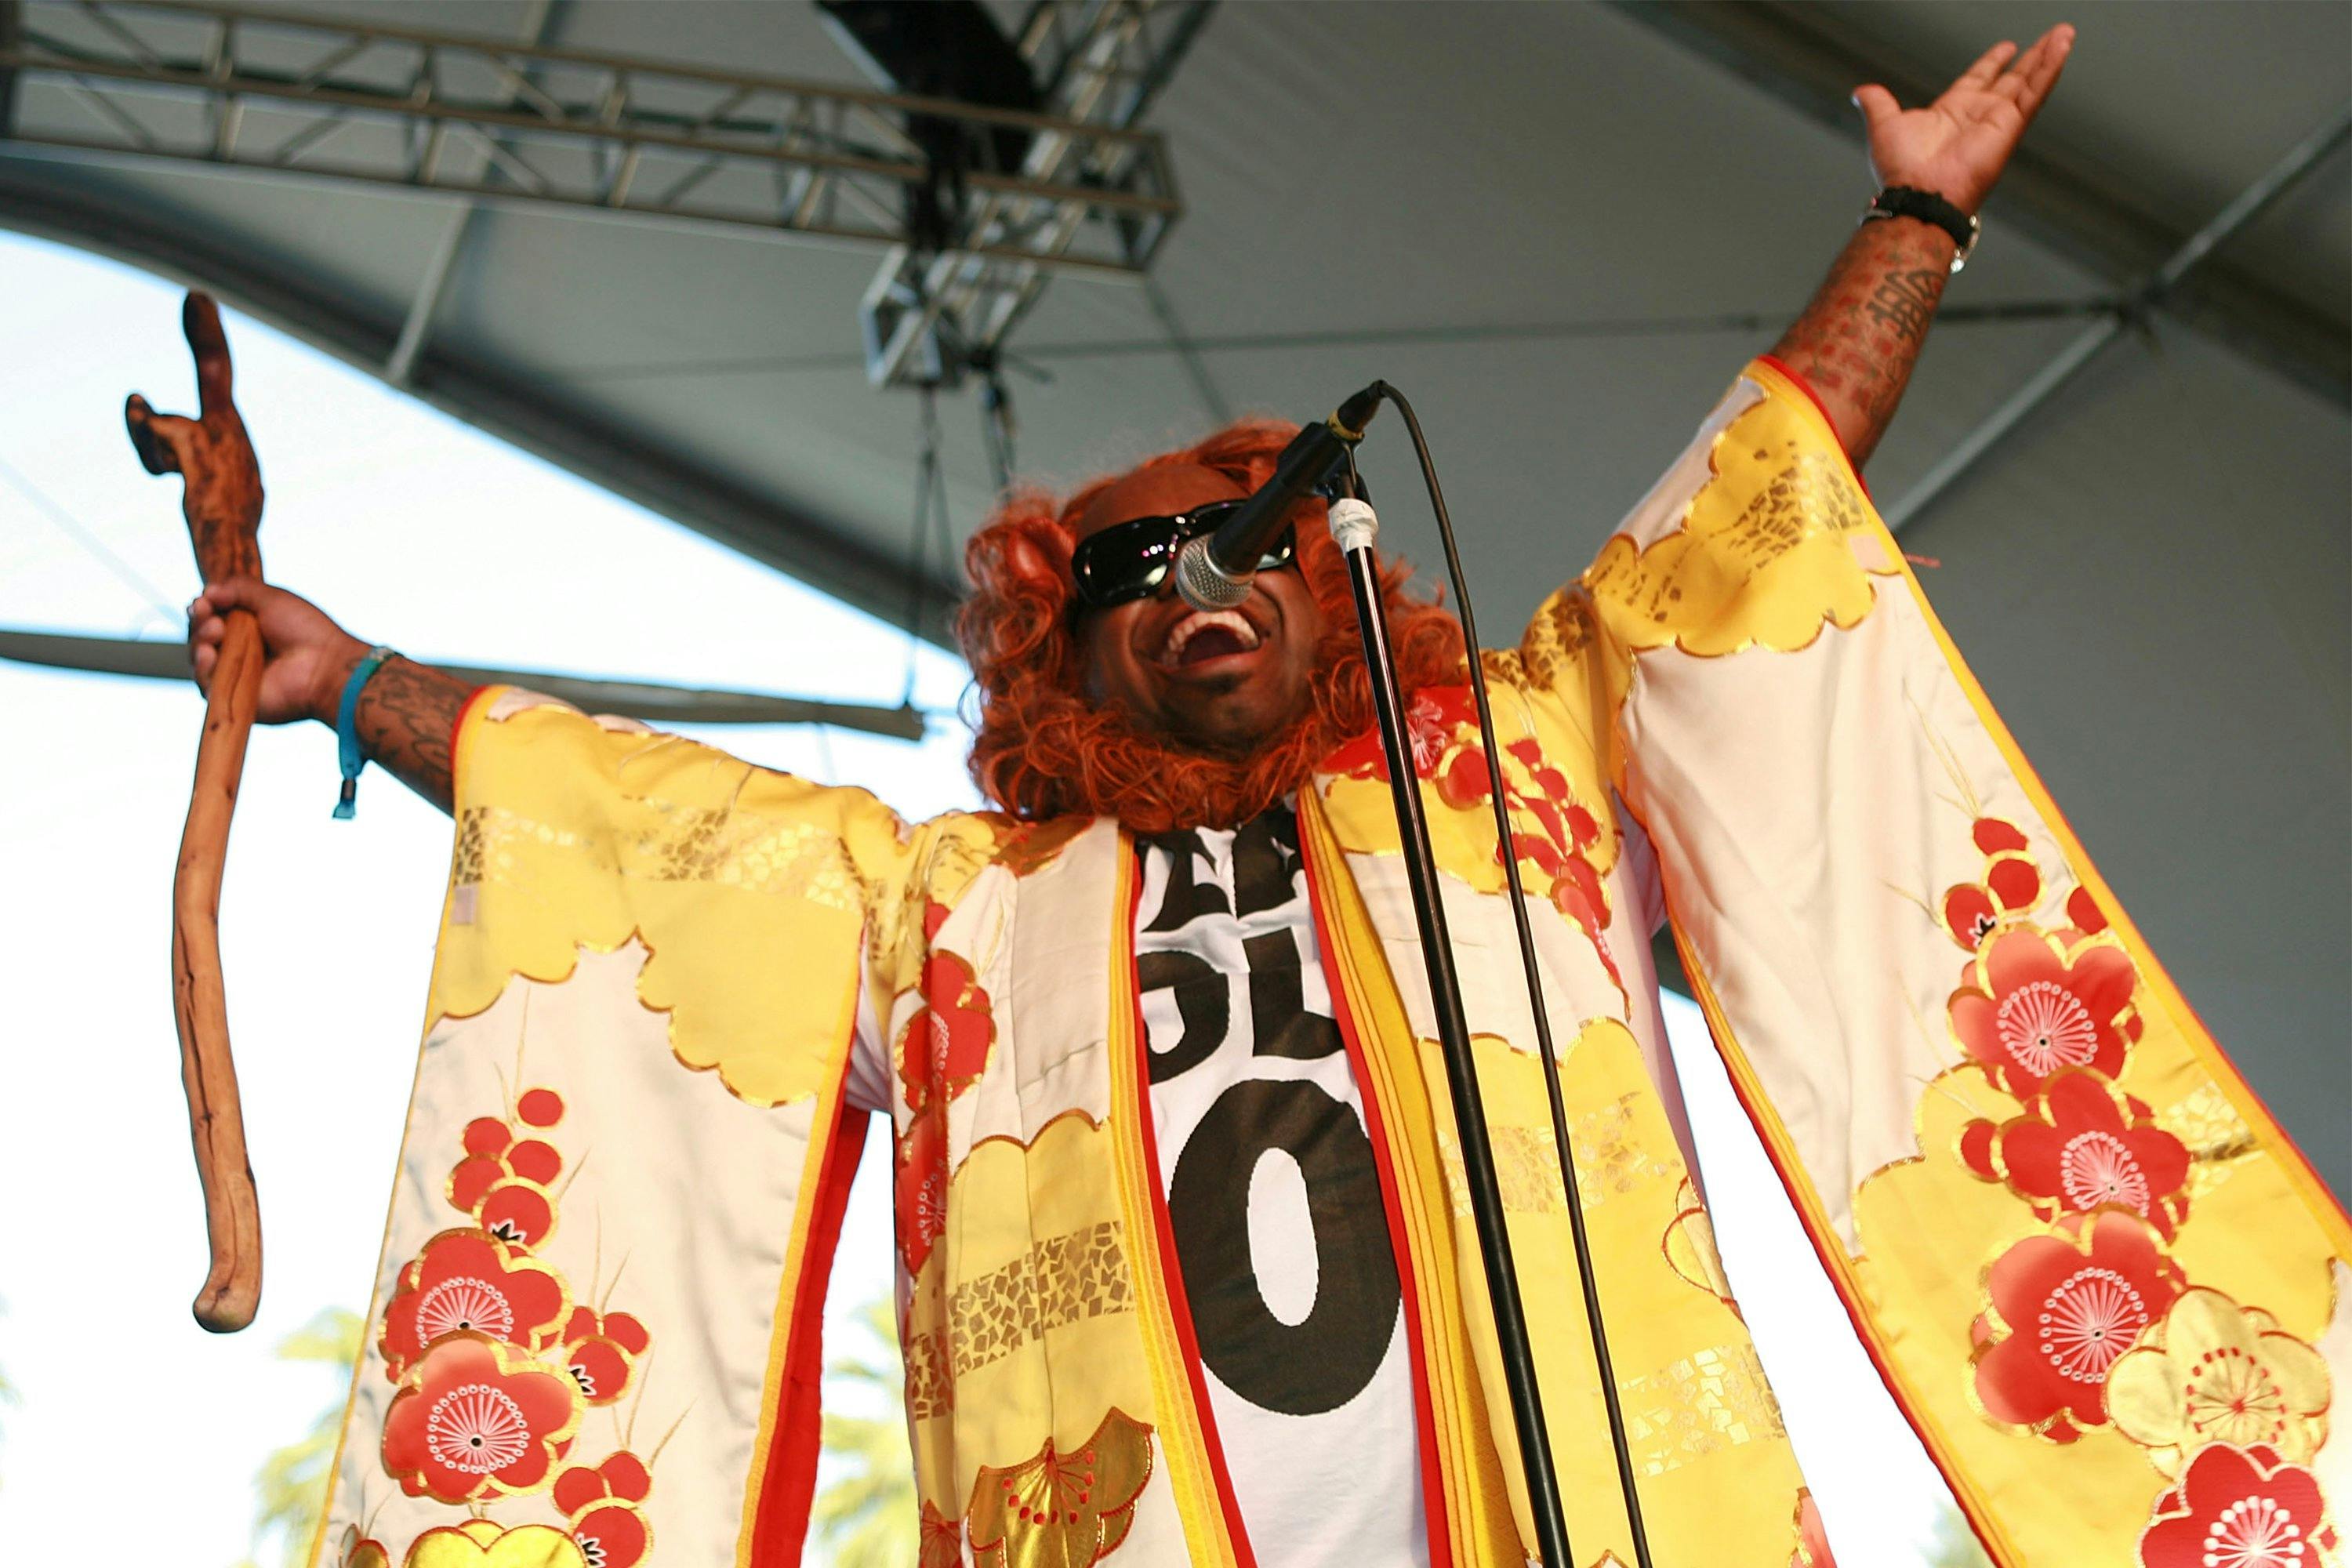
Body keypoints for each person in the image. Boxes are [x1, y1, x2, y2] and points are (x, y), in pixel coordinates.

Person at [154, 25, 2349, 1568]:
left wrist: (1910, 222)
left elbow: (1752, 525)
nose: (1196, 585)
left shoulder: (1510, 771)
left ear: (1338, 593)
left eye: (1252, 544)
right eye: (1128, 569)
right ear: (1056, 645)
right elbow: (651, 842)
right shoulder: (960, 914)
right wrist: (348, 682)